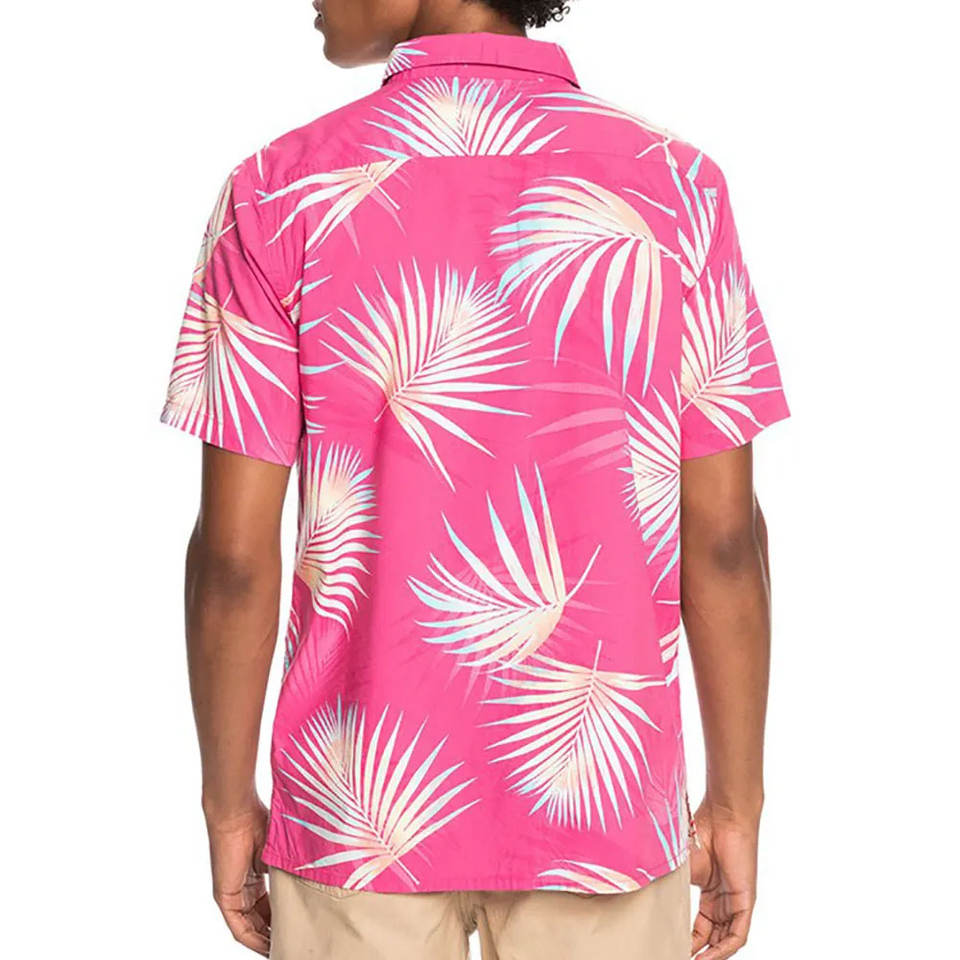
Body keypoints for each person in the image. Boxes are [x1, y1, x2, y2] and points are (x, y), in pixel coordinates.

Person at [160, 1, 789, 958]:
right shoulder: (675, 187)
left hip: (355, 813)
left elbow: (235, 561)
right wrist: (736, 804)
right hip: (604, 809)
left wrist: (227, 804)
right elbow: (726, 540)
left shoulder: (278, 191)